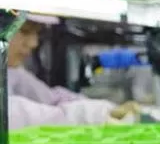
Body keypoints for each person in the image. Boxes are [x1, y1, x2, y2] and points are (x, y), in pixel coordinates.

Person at [7, 15, 140, 129]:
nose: (34, 43)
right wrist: (87, 116)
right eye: (25, 31)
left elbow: (51, 98)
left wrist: (106, 110)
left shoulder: (12, 71)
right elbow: (12, 116)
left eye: (37, 33)